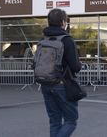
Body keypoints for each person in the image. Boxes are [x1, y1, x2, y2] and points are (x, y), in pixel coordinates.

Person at [40, 8, 82, 137]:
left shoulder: (43, 40)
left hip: (45, 83)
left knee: (54, 121)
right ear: (63, 22)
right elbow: (75, 66)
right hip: (62, 85)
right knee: (71, 120)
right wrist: (80, 65)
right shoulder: (66, 40)